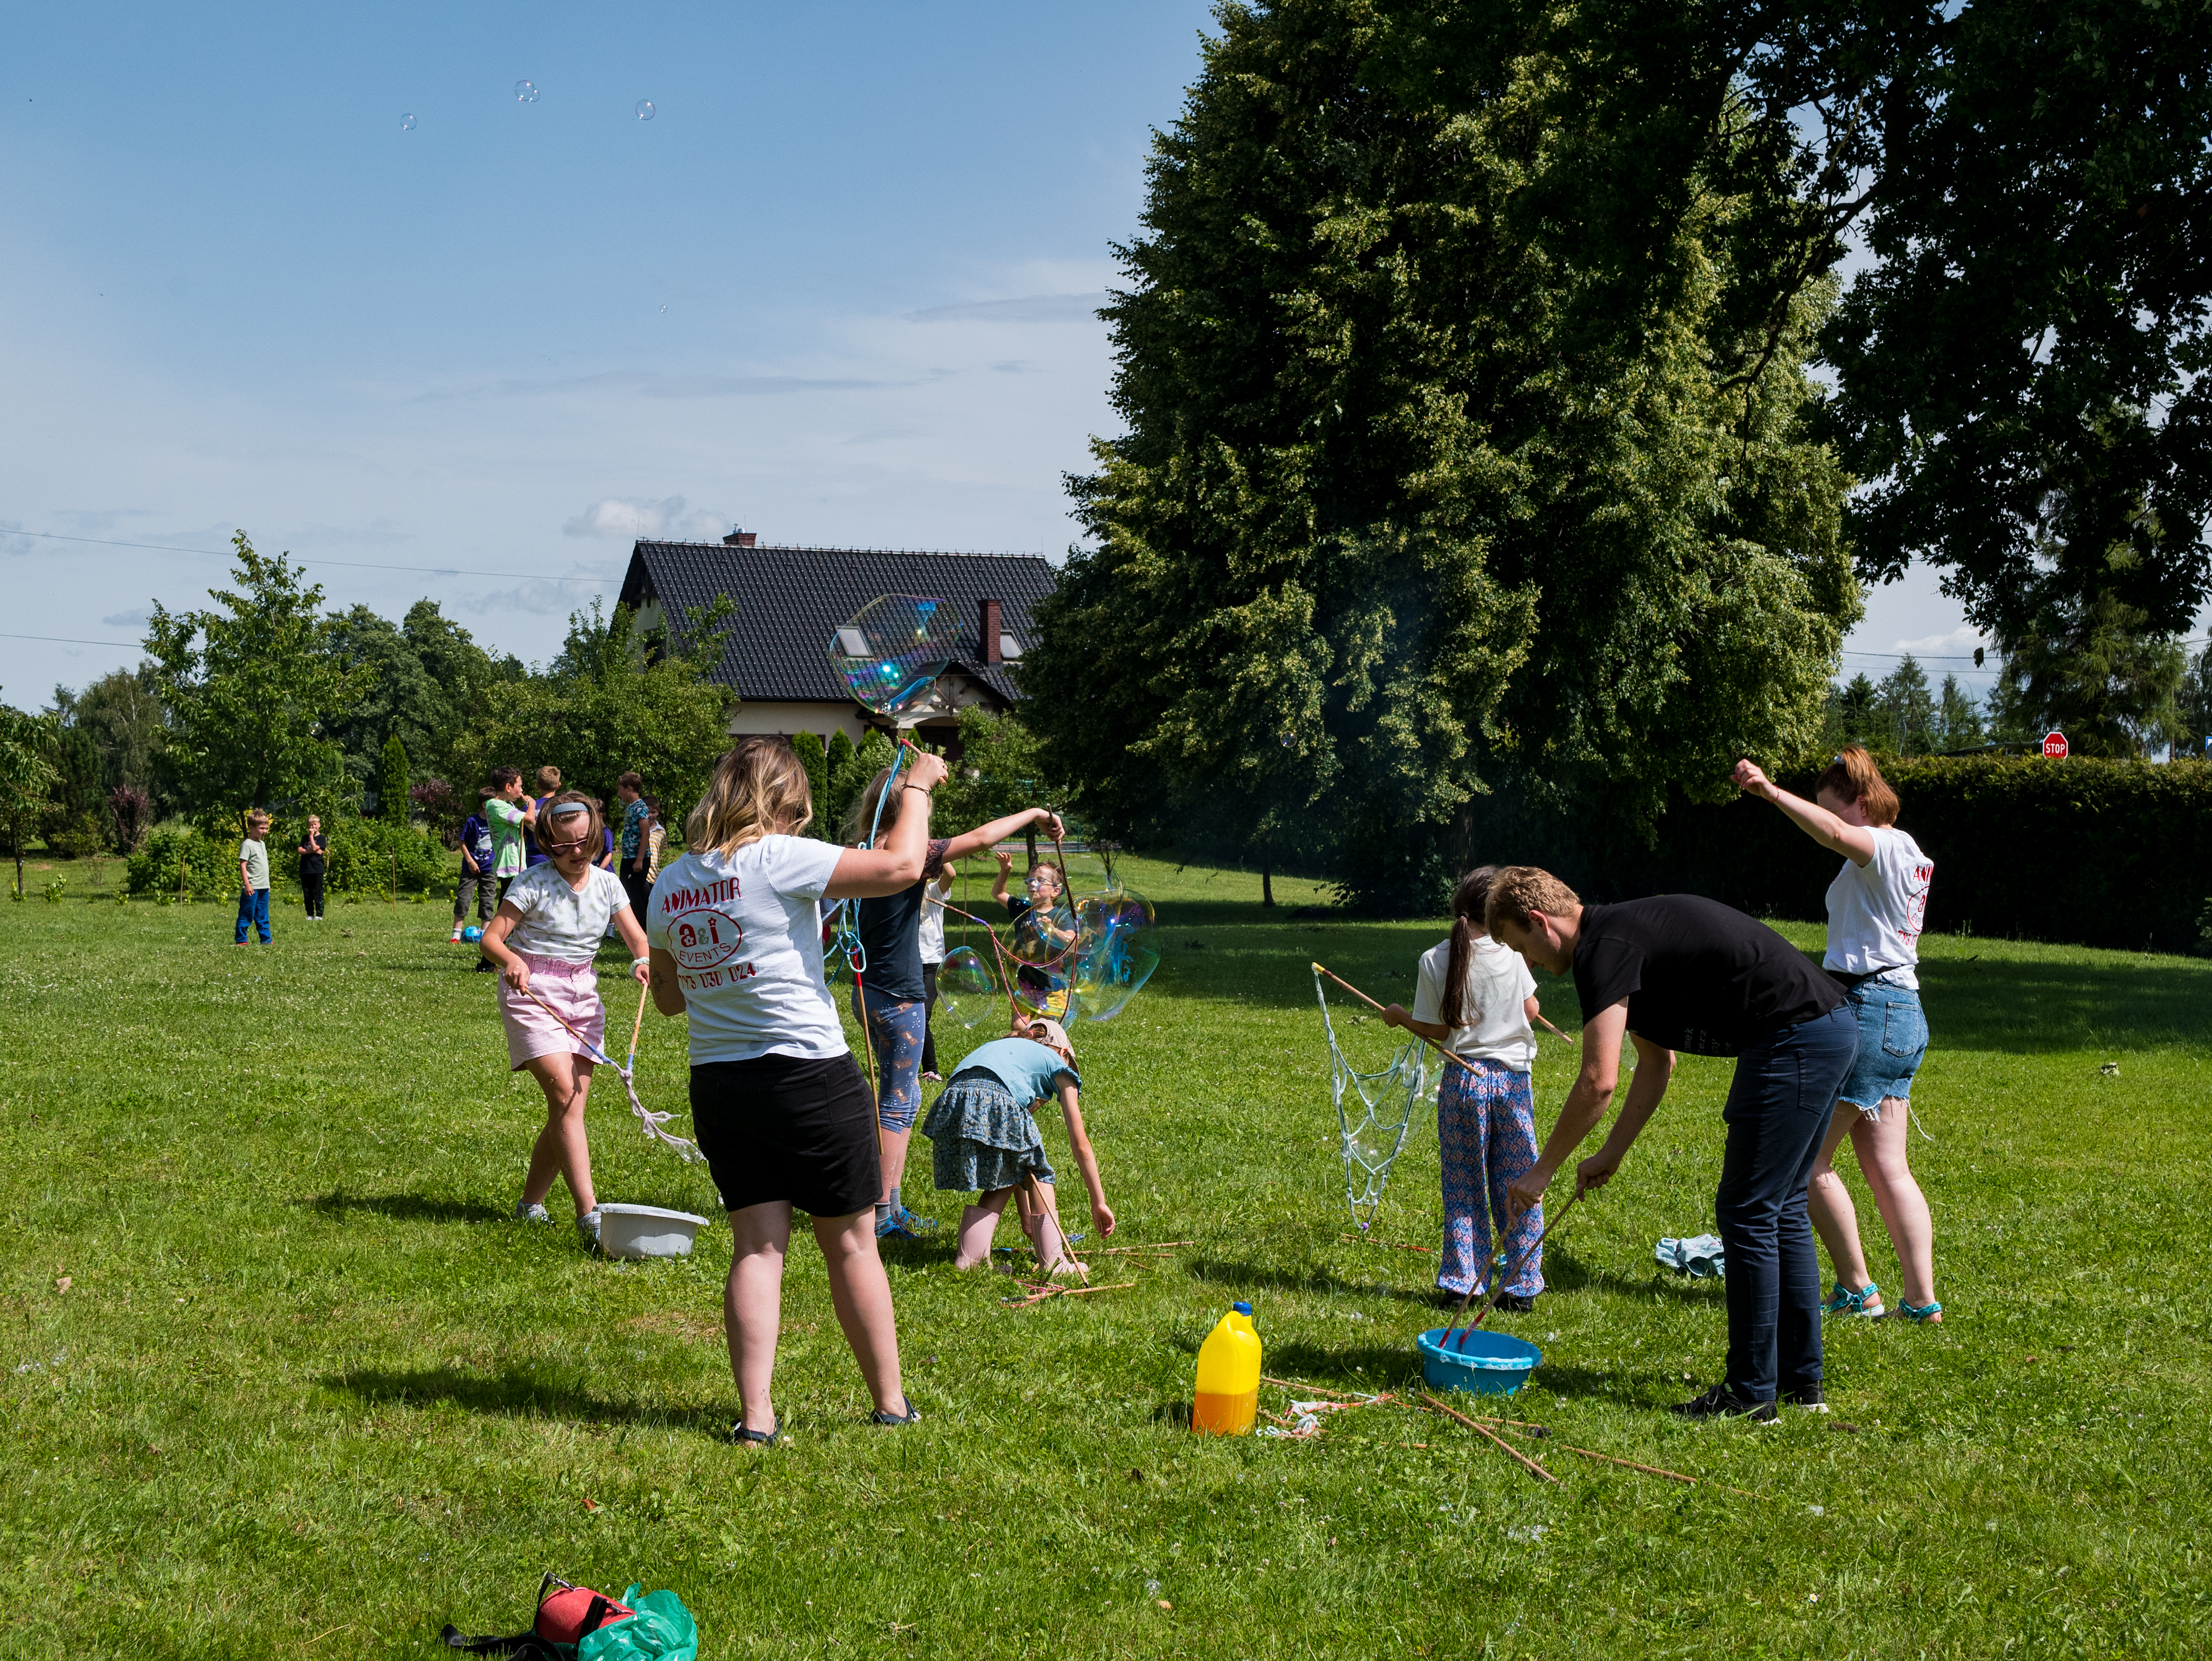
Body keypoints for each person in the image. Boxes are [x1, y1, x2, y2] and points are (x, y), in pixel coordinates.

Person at [643, 736, 953, 1445]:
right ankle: (892, 1404)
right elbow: (904, 866)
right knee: (851, 1244)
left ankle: (756, 1419)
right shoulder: (778, 855)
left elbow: (668, 1003)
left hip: (721, 1084)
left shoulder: (670, 883)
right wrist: (919, 785)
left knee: (757, 1249)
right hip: (810, 1074)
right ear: (784, 800)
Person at [1488, 868, 1856, 1421]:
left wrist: (1541, 1171)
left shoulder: (1602, 950)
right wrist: (1610, 1152)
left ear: (1542, 922)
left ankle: (1751, 1394)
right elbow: (1657, 1063)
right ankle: (1801, 1387)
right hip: (1825, 1027)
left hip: (1793, 1033)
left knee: (1749, 1210)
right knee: (1780, 1209)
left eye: (1523, 947)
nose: (1529, 963)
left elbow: (1597, 1078)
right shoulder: (1625, 939)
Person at [1734, 747, 1941, 1323]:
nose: (1833, 826)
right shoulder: (1909, 855)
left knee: (1807, 1163)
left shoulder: (1886, 846)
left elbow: (1832, 835)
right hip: (1902, 1010)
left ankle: (1857, 1288)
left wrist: (1771, 793)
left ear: (1862, 803)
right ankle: (1922, 1303)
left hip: (1869, 1007)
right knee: (1888, 1168)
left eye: (1837, 812)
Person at [846, 773, 1065, 1239]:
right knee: (897, 1106)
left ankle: (893, 1208)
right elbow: (985, 837)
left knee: (895, 1097)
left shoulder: (863, 849)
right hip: (901, 997)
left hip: (865, 992)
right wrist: (1036, 814)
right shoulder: (908, 853)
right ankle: (881, 1215)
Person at [478, 790, 650, 1247]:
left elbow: (637, 938)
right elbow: (492, 939)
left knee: (567, 1109)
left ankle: (529, 1205)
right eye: (562, 846)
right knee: (562, 1090)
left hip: (584, 996)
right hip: (532, 990)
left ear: (595, 835)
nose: (575, 854)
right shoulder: (531, 883)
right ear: (547, 844)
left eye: (584, 844)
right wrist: (509, 960)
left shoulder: (609, 884)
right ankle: (589, 1215)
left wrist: (641, 961)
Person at [1382, 865, 1545, 1311]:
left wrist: (1399, 1015)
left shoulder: (1435, 957)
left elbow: (1436, 1029)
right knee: (1519, 1180)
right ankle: (1521, 1285)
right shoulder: (1512, 952)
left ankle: (1463, 1283)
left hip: (1463, 1081)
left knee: (1463, 1183)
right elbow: (1531, 1009)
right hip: (1512, 1082)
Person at [922, 1016, 1113, 1276]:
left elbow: (1019, 1167)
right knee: (1041, 1172)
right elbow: (1081, 1144)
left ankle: (971, 1260)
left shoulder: (1005, 1049)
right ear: (1064, 1052)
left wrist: (1027, 1221)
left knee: (1014, 1167)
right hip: (995, 1096)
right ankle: (1054, 1263)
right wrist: (1098, 1202)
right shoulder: (1059, 1064)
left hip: (954, 1100)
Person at [991, 852, 1075, 1018]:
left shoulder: (1060, 916)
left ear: (1055, 891)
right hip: (1024, 983)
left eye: (1040, 881)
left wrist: (1052, 930)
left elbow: (1072, 941)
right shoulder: (1023, 909)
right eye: (1030, 880)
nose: (1032, 884)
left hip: (1052, 986)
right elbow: (998, 894)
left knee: (1045, 1030)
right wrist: (1005, 870)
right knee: (1018, 1027)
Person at [916, 863, 955, 1081]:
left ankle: (931, 1069)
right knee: (908, 1014)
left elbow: (951, 873)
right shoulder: (901, 893)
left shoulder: (934, 892)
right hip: (909, 962)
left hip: (931, 963)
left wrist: (934, 849)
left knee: (923, 1016)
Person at [450, 792, 495, 943]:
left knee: (487, 902)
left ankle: (485, 936)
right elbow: (462, 841)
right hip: (470, 869)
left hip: (489, 869)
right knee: (463, 899)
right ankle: (456, 935)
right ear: (484, 805)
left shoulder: (497, 821)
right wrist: (470, 861)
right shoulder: (472, 821)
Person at [616, 773, 653, 915]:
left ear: (629, 788)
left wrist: (639, 860)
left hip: (636, 859)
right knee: (633, 891)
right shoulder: (631, 807)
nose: (619, 793)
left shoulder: (640, 807)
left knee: (634, 896)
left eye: (620, 789)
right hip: (628, 858)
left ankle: (641, 929)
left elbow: (646, 833)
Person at [235, 811, 273, 944]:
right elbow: (243, 865)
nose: (265, 831)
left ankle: (266, 940)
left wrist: (267, 885)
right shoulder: (248, 844)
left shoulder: (262, 844)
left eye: (266, 828)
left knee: (262, 915)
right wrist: (247, 884)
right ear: (251, 828)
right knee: (247, 914)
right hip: (252, 888)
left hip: (263, 887)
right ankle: (241, 940)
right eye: (261, 828)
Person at [523, 765, 562, 868]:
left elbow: (524, 839)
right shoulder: (563, 807)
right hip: (559, 856)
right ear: (558, 785)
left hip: (535, 858)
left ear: (537, 785)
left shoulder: (528, 808)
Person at [297, 814, 328, 922]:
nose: (313, 827)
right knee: (307, 893)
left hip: (317, 869)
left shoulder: (321, 838)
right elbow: (300, 851)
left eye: (315, 824)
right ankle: (310, 914)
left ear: (319, 825)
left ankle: (319, 914)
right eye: (311, 825)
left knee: (317, 892)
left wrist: (311, 837)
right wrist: (312, 851)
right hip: (306, 869)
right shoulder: (304, 838)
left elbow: (316, 847)